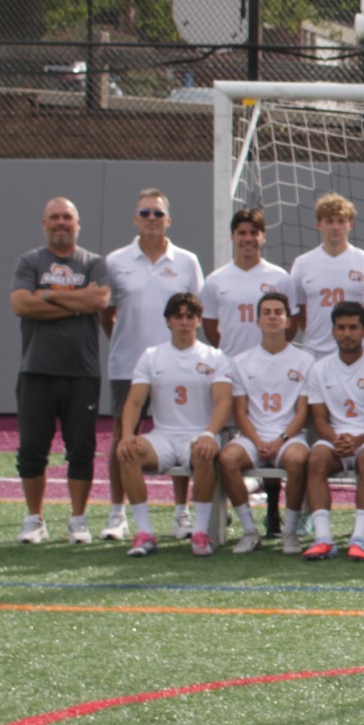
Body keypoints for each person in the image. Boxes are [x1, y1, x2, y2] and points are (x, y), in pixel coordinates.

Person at [100, 188, 204, 541]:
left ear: (168, 220)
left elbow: (195, 310)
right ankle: (117, 514)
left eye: (157, 214)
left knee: (179, 433)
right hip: (127, 365)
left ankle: (181, 513)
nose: (151, 220)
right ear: (135, 218)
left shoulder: (187, 261)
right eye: (145, 213)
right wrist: (125, 341)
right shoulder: (115, 261)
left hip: (177, 366)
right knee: (122, 437)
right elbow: (107, 313)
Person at [10, 197, 111, 544]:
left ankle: (78, 520)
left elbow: (98, 302)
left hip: (82, 372)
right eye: (54, 217)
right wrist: (74, 301)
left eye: (67, 217)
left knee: (81, 448)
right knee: (33, 449)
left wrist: (48, 295)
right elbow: (21, 304)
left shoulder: (95, 263)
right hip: (36, 369)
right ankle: (34, 519)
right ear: (44, 224)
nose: (61, 223)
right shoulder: (30, 260)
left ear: (78, 223)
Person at [113, 292, 232, 559]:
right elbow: (134, 402)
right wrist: (127, 435)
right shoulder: (151, 356)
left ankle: (200, 532)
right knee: (128, 452)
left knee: (204, 451)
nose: (184, 322)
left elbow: (224, 402)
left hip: (198, 434)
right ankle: (144, 533)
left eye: (190, 317)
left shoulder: (214, 356)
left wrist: (209, 434)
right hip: (163, 436)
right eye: (178, 316)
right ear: (168, 321)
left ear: (199, 321)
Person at [299, 300, 364, 561]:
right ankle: (323, 539)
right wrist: (336, 439)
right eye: (341, 328)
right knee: (316, 459)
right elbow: (319, 418)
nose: (347, 334)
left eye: (353, 327)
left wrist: (357, 441)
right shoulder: (319, 369)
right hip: (336, 439)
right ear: (333, 331)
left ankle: (360, 539)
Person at [216, 290, 311, 556]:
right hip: (252, 436)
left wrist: (279, 440)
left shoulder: (305, 360)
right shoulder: (241, 362)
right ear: (257, 320)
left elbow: (302, 412)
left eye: (278, 312)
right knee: (227, 458)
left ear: (288, 320)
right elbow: (240, 411)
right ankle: (249, 530)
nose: (272, 317)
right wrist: (258, 442)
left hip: (288, 437)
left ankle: (289, 532)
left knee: (297, 460)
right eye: (267, 313)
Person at [288, 192, 364, 356]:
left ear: (350, 224)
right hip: (314, 352)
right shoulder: (303, 263)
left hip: (358, 351)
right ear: (319, 224)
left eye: (341, 221)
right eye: (329, 221)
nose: (335, 227)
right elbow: (298, 309)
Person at [201, 206, 291, 355]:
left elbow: (291, 321)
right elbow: (209, 324)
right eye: (242, 233)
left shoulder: (280, 277)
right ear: (233, 236)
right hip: (231, 364)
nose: (248, 238)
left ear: (263, 237)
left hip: (270, 361)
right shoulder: (215, 280)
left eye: (254, 233)